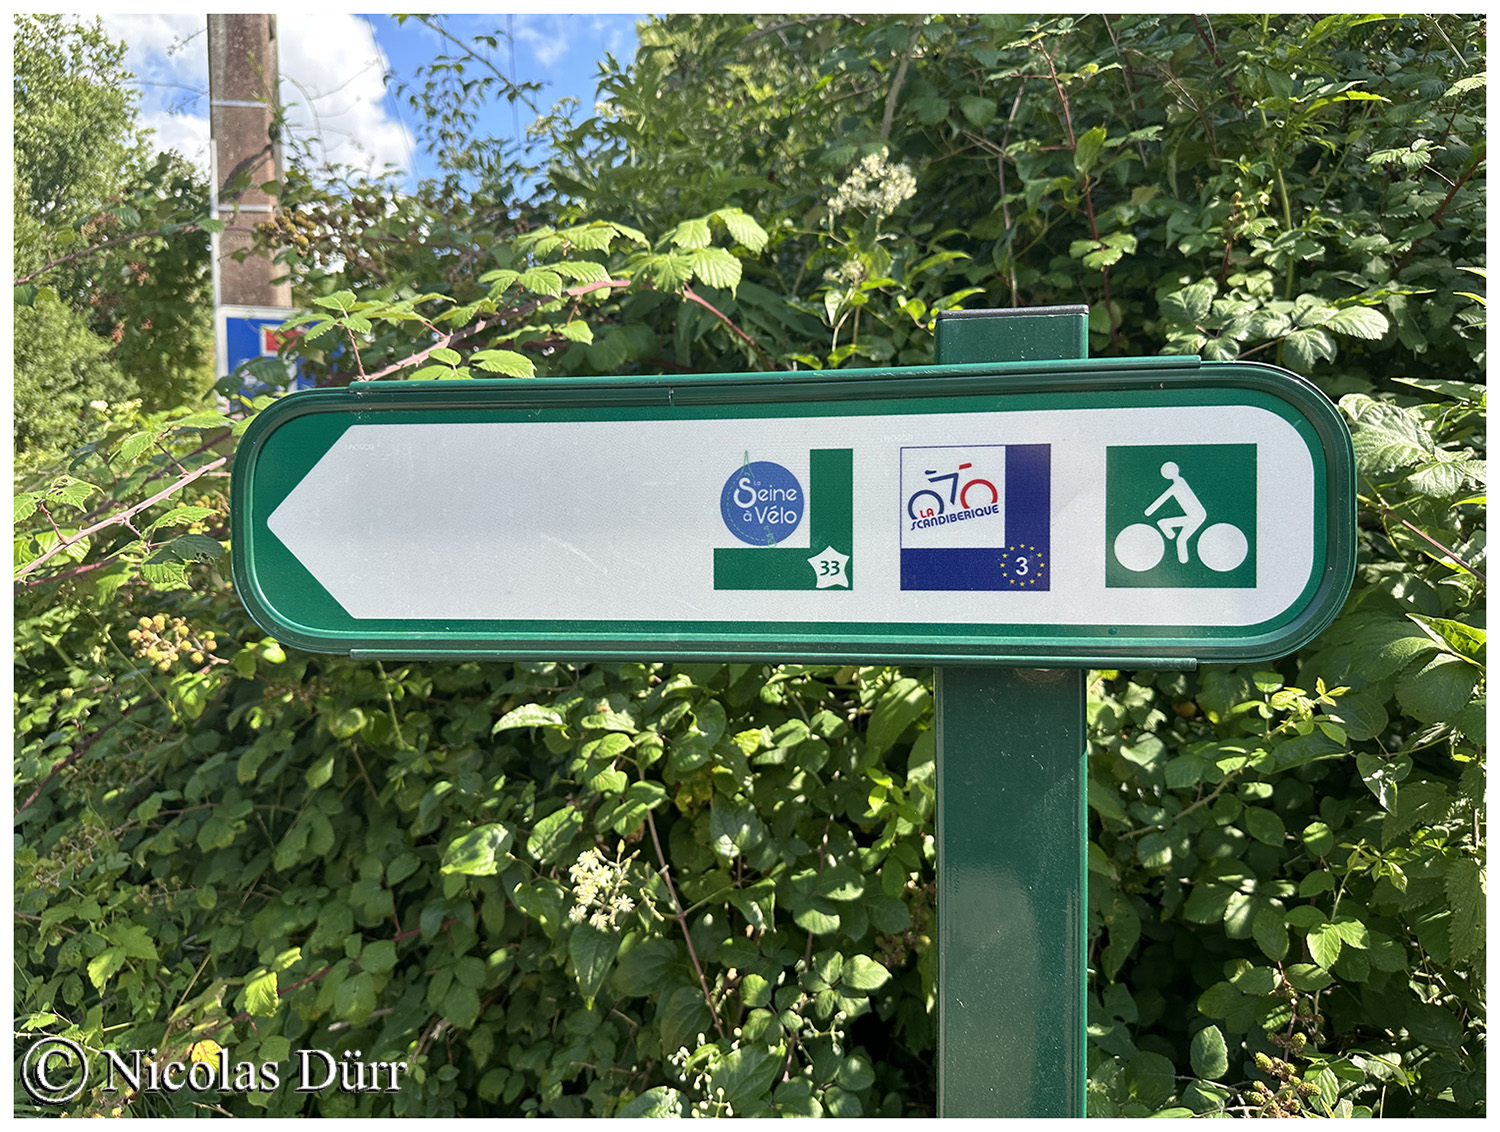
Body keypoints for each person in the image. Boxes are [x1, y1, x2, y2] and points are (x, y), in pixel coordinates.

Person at [1144, 461, 1205, 564]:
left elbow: (1163, 498)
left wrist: (1149, 511)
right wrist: (1148, 511)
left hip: (1196, 516)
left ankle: (1182, 558)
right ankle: (1173, 539)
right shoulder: (1178, 484)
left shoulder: (1178, 484)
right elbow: (1163, 498)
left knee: (1176, 535)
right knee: (1178, 538)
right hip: (1195, 516)